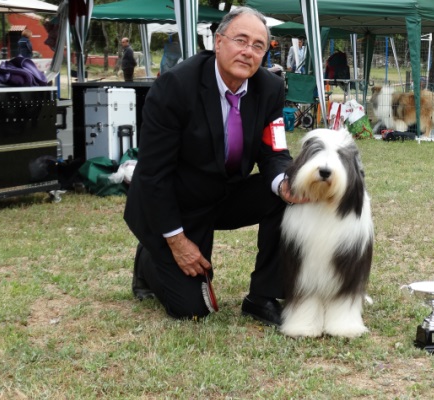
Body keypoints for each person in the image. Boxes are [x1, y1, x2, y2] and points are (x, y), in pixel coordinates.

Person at [124, 7, 303, 327]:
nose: (248, 51)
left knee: (290, 195)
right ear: (218, 42)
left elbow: (274, 151)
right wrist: (176, 241)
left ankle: (263, 296)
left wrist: (285, 183)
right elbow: (153, 175)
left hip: (224, 192)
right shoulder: (175, 87)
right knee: (193, 308)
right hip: (177, 202)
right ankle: (150, 259)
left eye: (258, 45)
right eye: (240, 40)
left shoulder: (270, 88)